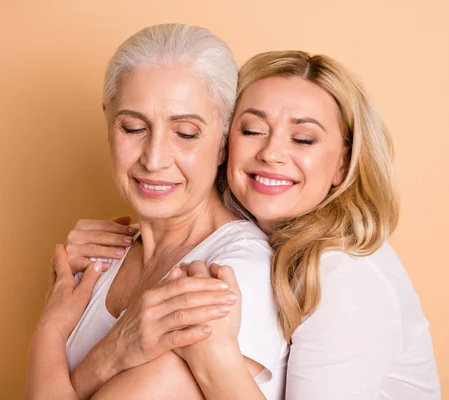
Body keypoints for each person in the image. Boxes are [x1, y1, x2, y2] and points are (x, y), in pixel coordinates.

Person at [62, 50, 441, 399]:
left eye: (303, 138)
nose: (272, 153)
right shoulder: (255, 240)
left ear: (343, 162)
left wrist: (217, 358)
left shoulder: (344, 272)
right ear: (225, 143)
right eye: (253, 130)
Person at [25, 24, 286, 400]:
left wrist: (58, 342)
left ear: (225, 141)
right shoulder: (100, 260)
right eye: (133, 127)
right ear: (108, 121)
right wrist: (51, 326)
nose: (154, 158)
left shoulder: (233, 276)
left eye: (186, 133)